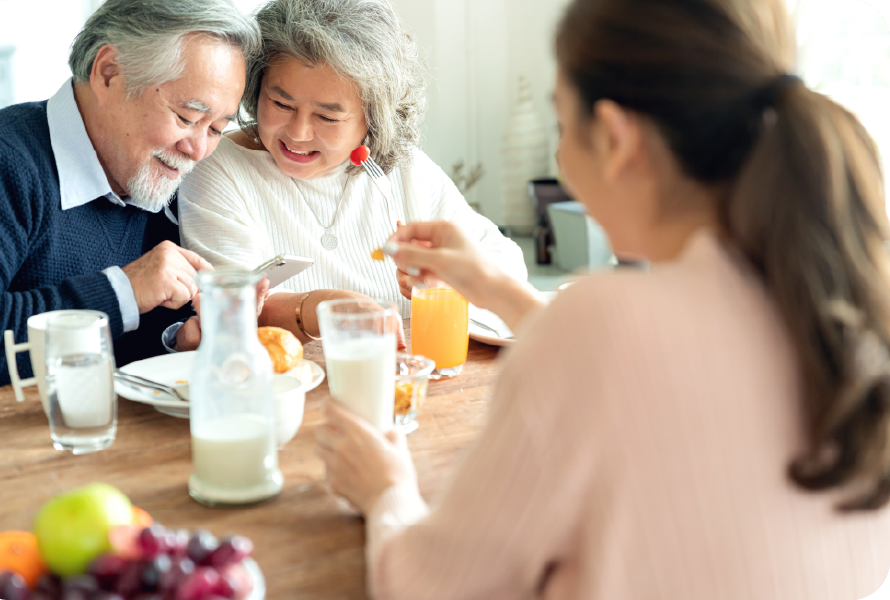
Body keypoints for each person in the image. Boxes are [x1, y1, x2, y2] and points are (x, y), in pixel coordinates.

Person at [314, 0, 890, 597]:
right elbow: (644, 368)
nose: (561, 156)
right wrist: (493, 287)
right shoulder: (844, 299)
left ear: (616, 139)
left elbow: (430, 586)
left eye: (562, 123)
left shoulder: (602, 324)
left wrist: (385, 489)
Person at [177, 0, 525, 345]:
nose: (298, 133)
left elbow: (507, 264)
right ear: (256, 87)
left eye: (327, 117)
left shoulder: (404, 170)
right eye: (282, 104)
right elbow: (232, 308)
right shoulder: (219, 168)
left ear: (372, 118)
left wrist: (451, 283)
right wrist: (328, 309)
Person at [0, 0, 261, 390]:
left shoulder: (162, 176)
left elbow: (126, 338)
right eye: (187, 118)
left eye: (215, 129)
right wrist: (121, 290)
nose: (197, 149)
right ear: (109, 73)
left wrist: (180, 340)